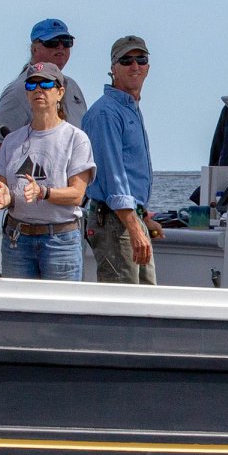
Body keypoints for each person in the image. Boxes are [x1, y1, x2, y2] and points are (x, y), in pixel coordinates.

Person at [0, 62, 96, 280]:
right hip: (17, 240)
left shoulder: (76, 139)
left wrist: (43, 192)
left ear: (60, 93)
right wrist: (5, 197)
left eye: (46, 84)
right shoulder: (11, 141)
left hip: (60, 241)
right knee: (17, 302)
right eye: (32, 85)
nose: (38, 89)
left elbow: (77, 195)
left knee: (61, 302)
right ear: (27, 93)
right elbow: (4, 187)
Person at [83, 36, 161, 284]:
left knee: (145, 299)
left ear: (148, 66)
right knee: (123, 300)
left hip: (129, 219)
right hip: (115, 223)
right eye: (126, 60)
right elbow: (113, 177)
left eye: (141, 59)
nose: (135, 66)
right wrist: (134, 227)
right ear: (113, 69)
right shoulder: (106, 113)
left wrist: (143, 218)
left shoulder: (129, 108)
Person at [0, 19, 90, 156]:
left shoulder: (72, 87)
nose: (60, 47)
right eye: (52, 42)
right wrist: (26, 167)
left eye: (66, 42)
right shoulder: (20, 90)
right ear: (34, 48)